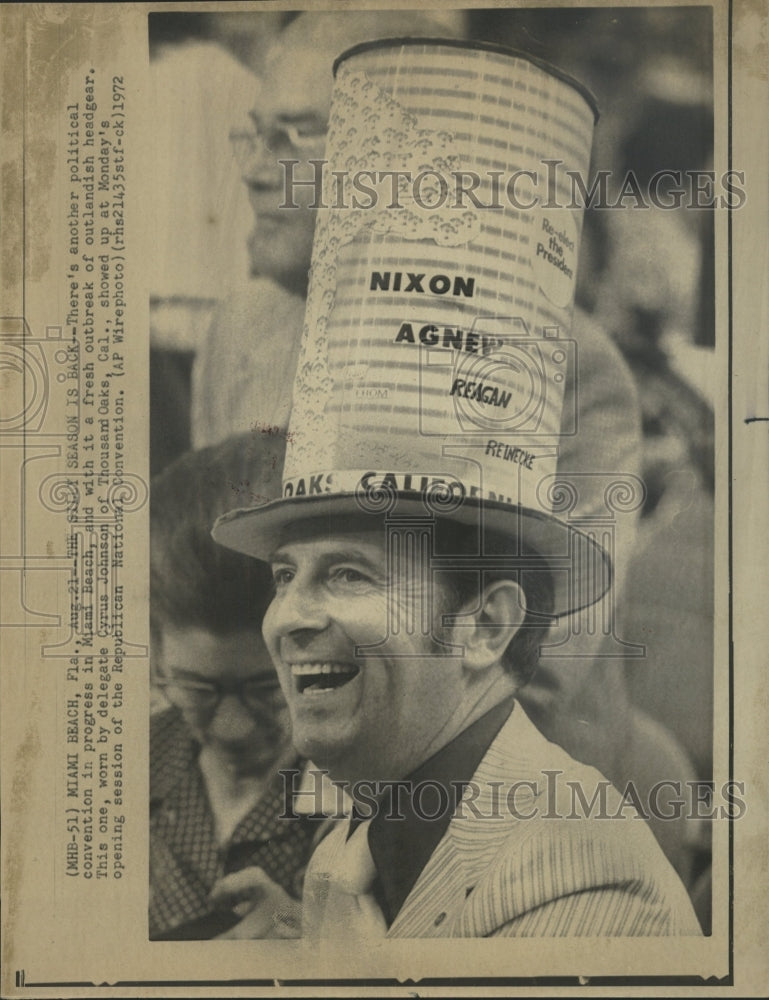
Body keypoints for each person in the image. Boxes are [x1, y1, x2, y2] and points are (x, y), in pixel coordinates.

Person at [149, 433, 319, 940]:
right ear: (155, 644)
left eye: (269, 687)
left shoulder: (373, 799)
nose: (233, 728)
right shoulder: (121, 767)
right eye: (197, 689)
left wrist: (304, 930)